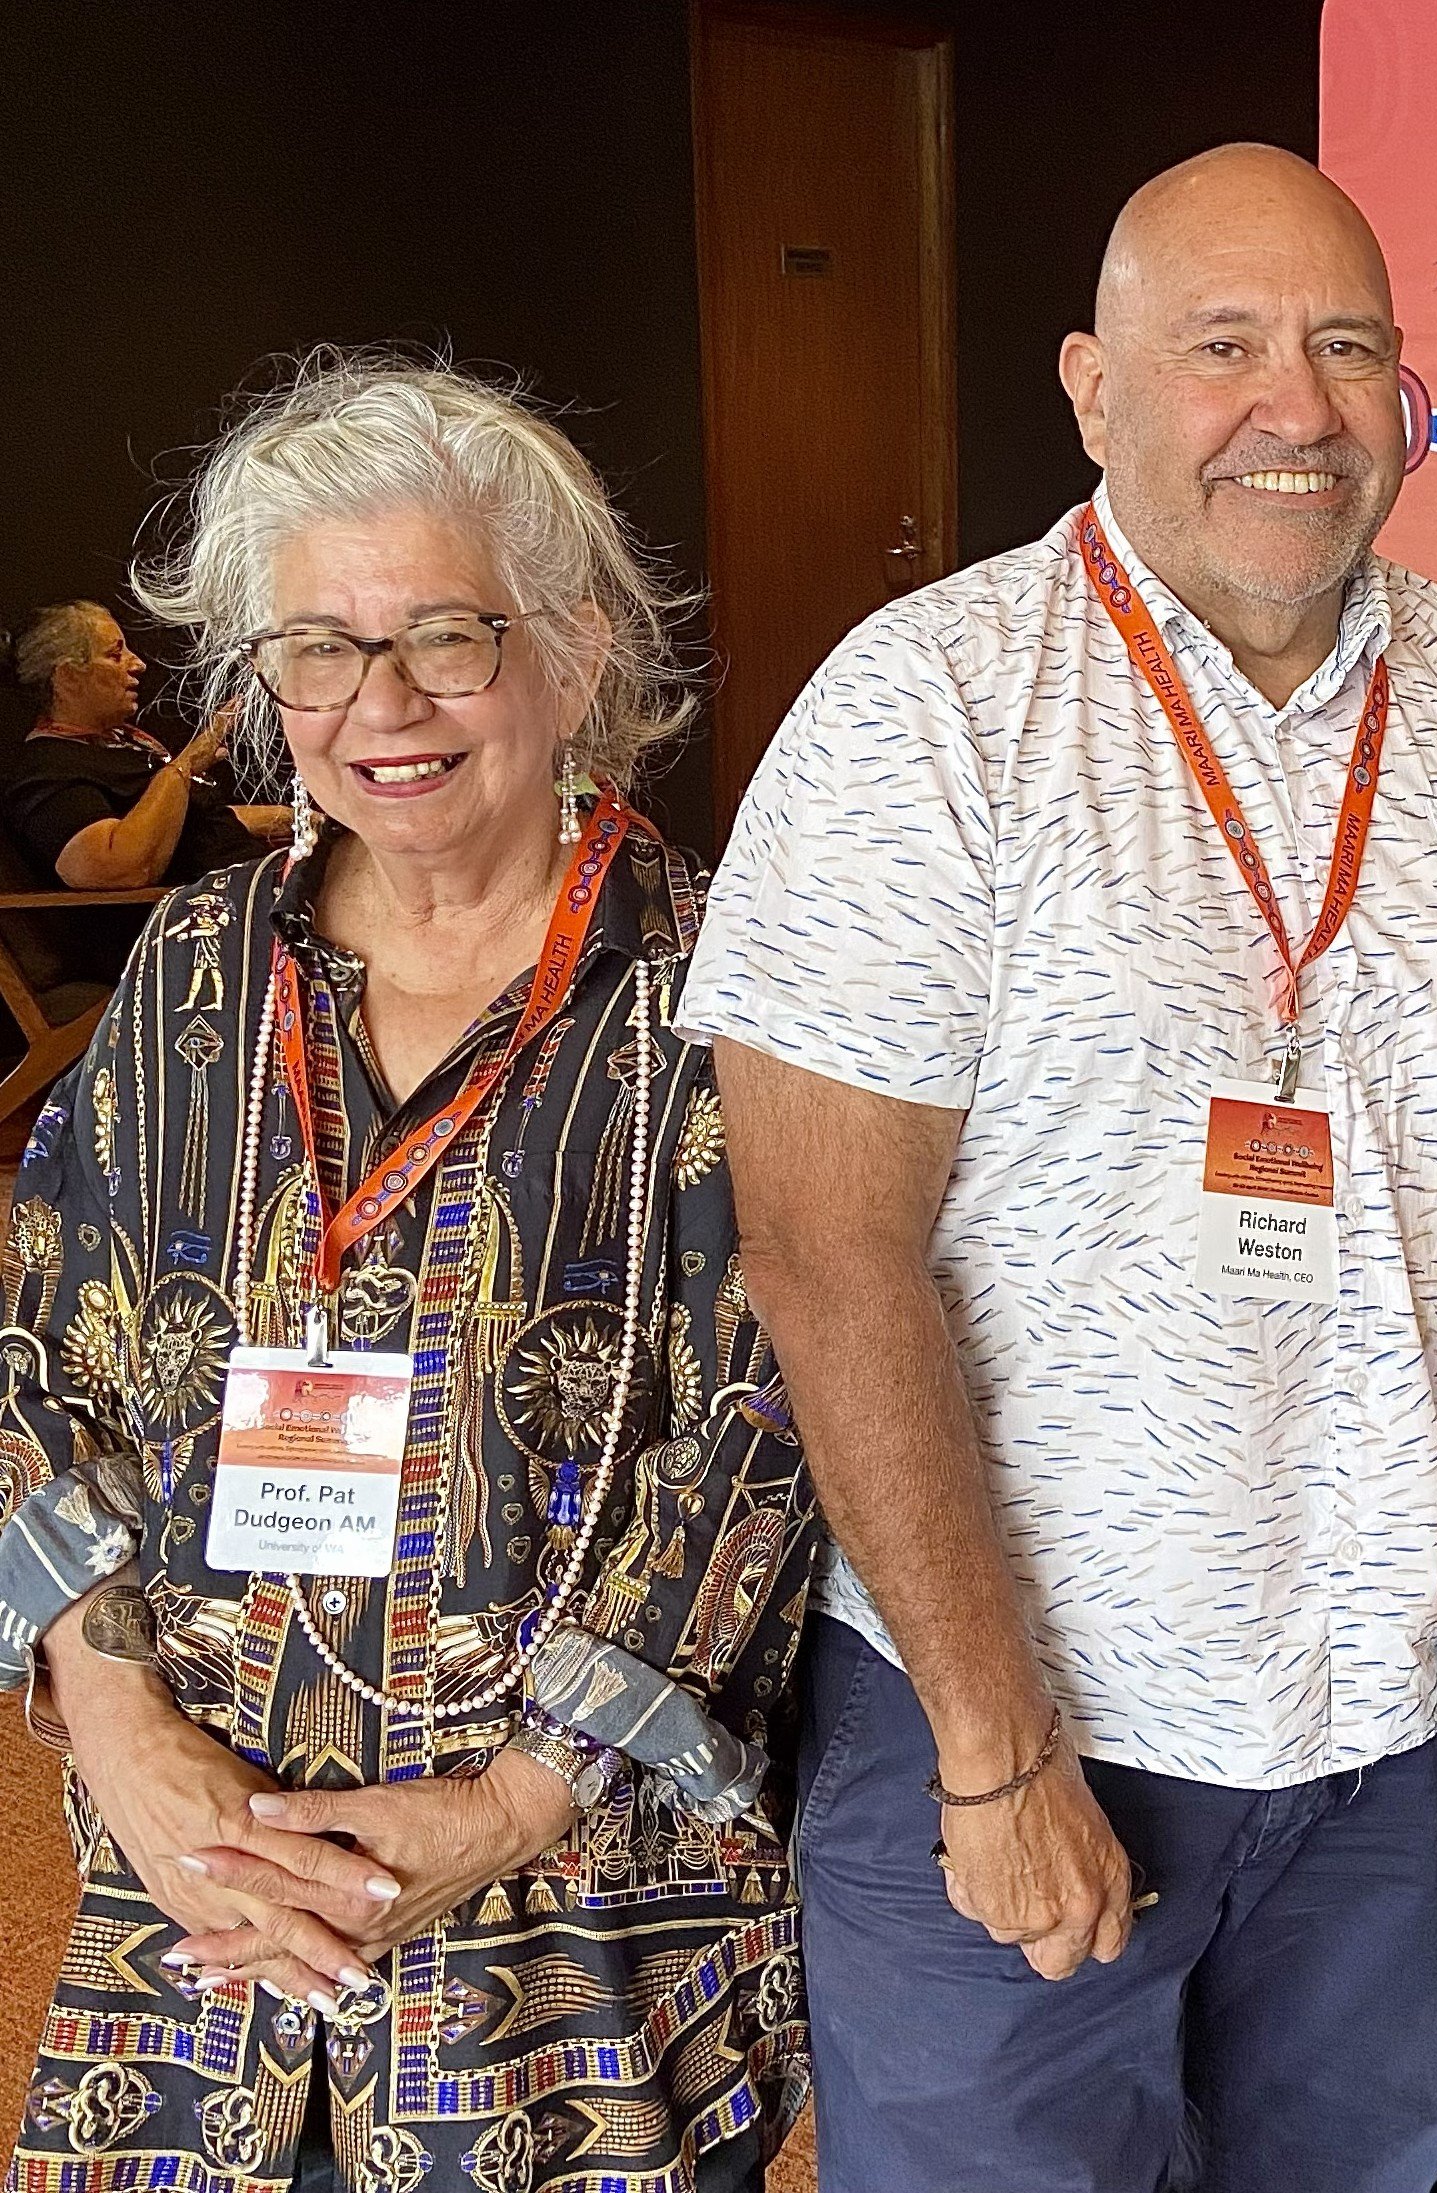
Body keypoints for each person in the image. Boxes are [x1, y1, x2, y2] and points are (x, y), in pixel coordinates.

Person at [678, 143, 1437, 2190]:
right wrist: (992, 1747)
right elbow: (826, 1254)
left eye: (1346, 347)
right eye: (1221, 346)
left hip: (1398, 1741)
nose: (1294, 407)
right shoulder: (924, 708)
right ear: (1090, 387)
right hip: (1020, 1728)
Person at [0, 355, 818, 2192]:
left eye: (447, 636)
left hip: (565, 1940)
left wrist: (507, 1805)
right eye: (318, 648)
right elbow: (33, 1353)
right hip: (197, 1907)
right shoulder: (196, 967)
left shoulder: (729, 993)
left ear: (577, 654)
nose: (382, 705)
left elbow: (775, 1432)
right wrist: (122, 1733)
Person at [2, 597, 283, 888]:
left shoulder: (124, 743)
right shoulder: (45, 769)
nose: (138, 664)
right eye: (115, 655)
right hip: (211, 908)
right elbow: (117, 868)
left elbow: (198, 824)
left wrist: (293, 819)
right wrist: (185, 766)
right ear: (68, 677)